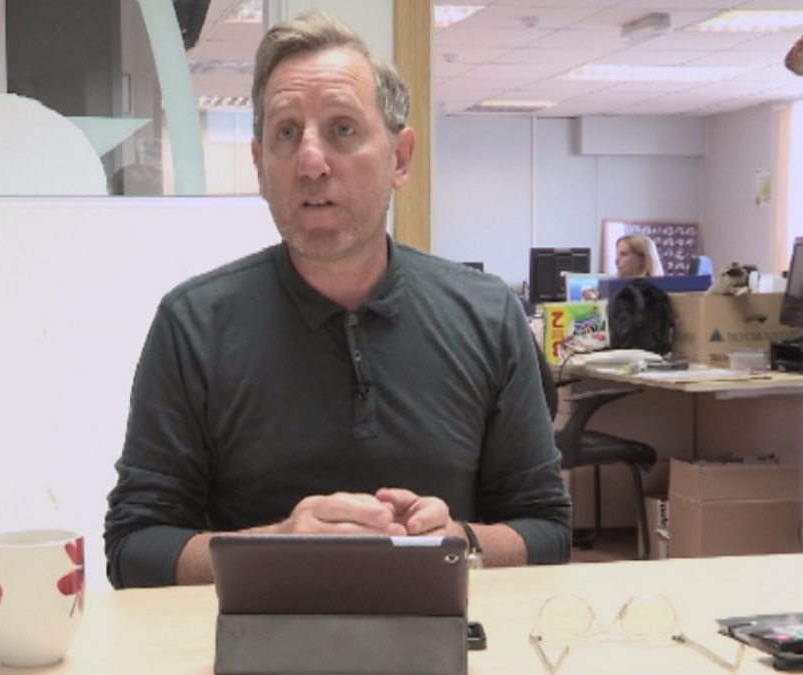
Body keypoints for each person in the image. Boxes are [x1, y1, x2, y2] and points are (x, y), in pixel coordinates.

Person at [103, 10, 572, 588]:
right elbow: (134, 548)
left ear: (401, 158)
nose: (310, 161)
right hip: (261, 635)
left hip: (442, 633)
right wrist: (277, 547)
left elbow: (548, 530)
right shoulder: (194, 326)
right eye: (286, 133)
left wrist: (461, 541)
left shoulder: (487, 316)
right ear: (260, 166)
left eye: (343, 129)